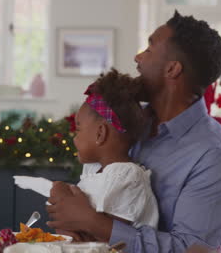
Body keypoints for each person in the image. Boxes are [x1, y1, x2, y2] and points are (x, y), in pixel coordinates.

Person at [47, 11, 221, 252]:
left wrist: (93, 222)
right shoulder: (127, 125)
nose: (137, 57)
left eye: (149, 49)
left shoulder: (216, 157)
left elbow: (192, 249)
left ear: (172, 69)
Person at [50, 69, 159, 241]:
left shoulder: (127, 176)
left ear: (100, 133)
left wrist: (63, 196)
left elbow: (109, 237)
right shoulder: (98, 172)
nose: (75, 137)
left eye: (78, 129)